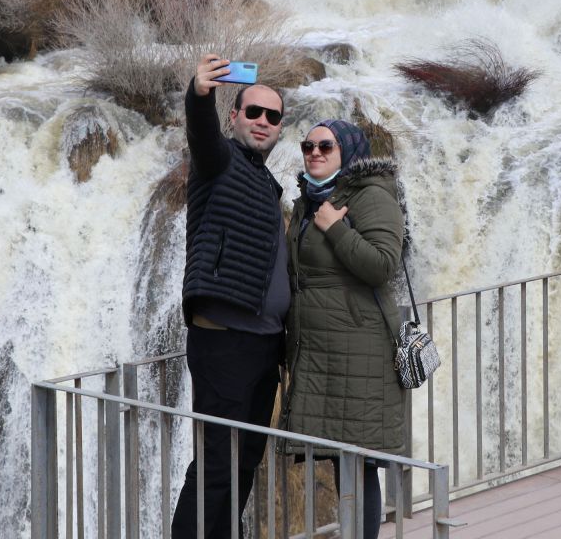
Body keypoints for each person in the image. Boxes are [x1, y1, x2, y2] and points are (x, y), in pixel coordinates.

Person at [172, 54, 290, 539]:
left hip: (264, 345)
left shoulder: (267, 181)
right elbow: (200, 134)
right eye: (254, 112)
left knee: (245, 463)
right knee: (217, 465)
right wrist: (198, 93)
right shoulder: (218, 160)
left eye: (273, 117)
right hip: (223, 341)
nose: (263, 122)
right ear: (235, 117)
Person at [282, 119, 406, 539]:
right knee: (340, 458)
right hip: (320, 351)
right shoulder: (308, 199)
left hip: (361, 351)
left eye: (326, 146)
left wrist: (334, 227)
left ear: (347, 151)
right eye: (308, 145)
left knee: (358, 462)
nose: (314, 152)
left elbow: (382, 266)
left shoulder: (371, 195)